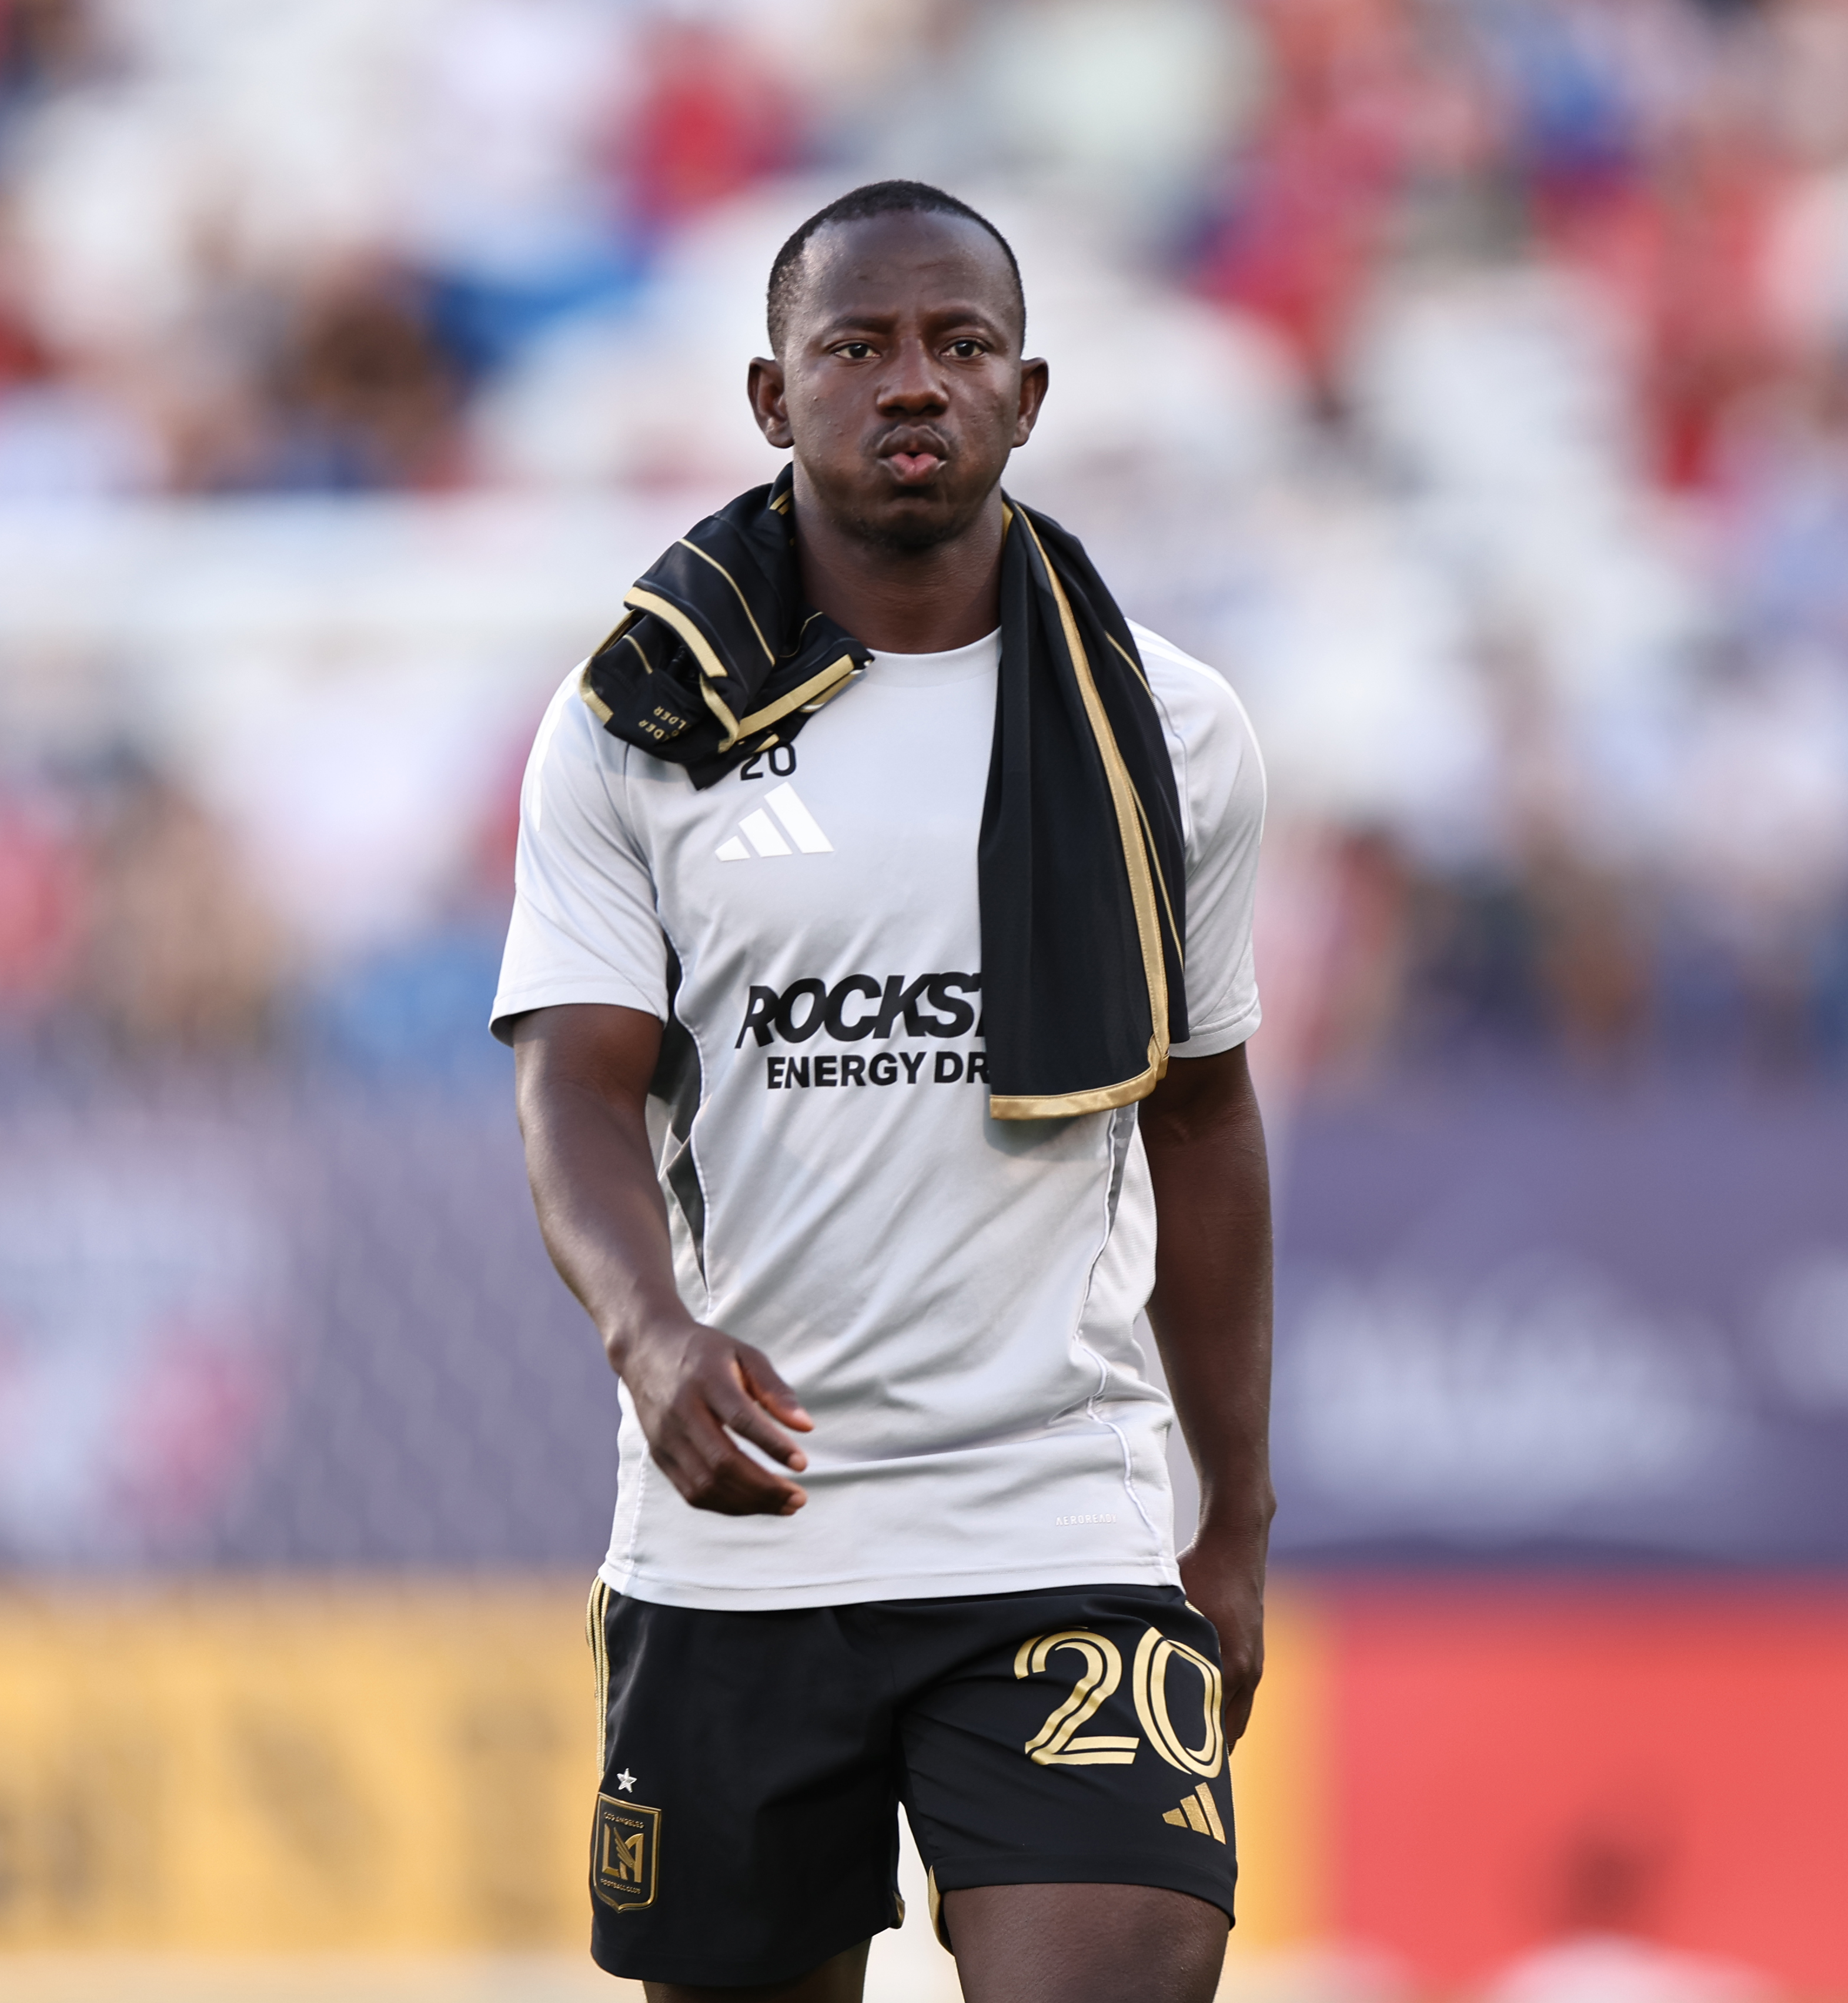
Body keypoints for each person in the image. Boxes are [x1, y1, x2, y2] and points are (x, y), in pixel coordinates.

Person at [491, 180, 1272, 2003]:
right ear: (773, 398)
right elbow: (576, 1098)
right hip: (745, 1530)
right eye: (858, 347)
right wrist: (653, 1335)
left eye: (959, 345)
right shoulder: (637, 725)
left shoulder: (1176, 730)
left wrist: (1237, 1511)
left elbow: (1205, 1115)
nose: (912, 383)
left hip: (1056, 1512)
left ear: (1030, 391)